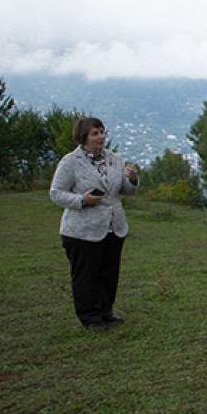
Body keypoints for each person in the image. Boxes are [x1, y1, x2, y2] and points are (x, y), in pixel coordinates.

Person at [49, 117, 139, 331]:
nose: (101, 137)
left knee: (108, 273)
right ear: (84, 137)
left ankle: (106, 311)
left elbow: (123, 190)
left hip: (113, 227)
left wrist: (133, 179)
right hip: (82, 230)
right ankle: (90, 316)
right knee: (86, 275)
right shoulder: (71, 162)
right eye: (95, 133)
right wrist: (82, 200)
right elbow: (56, 193)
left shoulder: (114, 159)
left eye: (102, 132)